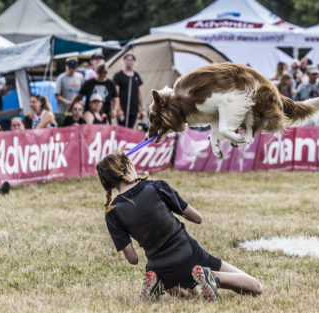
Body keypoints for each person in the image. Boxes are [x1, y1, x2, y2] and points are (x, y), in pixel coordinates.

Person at [97, 151, 262, 301]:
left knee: (193, 295)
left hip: (159, 267)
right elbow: (197, 218)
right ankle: (211, 277)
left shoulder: (112, 212)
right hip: (189, 254)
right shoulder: (156, 186)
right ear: (128, 167)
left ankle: (159, 282)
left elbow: (133, 259)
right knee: (255, 287)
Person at [113, 52, 145, 128]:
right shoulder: (118, 76)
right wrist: (119, 109)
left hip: (134, 109)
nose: (129, 62)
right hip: (123, 109)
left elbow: (140, 93)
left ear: (134, 62)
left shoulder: (136, 76)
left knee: (130, 128)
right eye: (127, 60)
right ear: (124, 61)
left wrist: (142, 108)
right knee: (122, 129)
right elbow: (116, 94)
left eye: (131, 60)